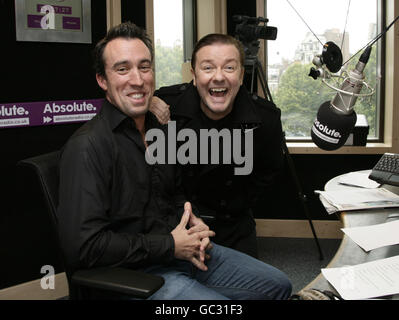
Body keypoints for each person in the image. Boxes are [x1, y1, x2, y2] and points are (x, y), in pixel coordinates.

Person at [57, 22, 291, 300]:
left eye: (144, 67)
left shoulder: (160, 130)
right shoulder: (88, 146)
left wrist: (193, 223)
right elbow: (84, 247)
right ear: (102, 80)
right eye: (123, 69)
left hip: (183, 255)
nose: (137, 79)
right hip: (135, 274)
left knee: (279, 285)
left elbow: (174, 194)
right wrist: (168, 245)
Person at [151, 33, 284, 258]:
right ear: (194, 75)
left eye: (229, 68)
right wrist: (148, 102)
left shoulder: (265, 118)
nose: (219, 77)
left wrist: (237, 203)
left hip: (234, 225)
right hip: (179, 224)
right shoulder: (168, 106)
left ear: (241, 75)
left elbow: (268, 172)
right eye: (208, 68)